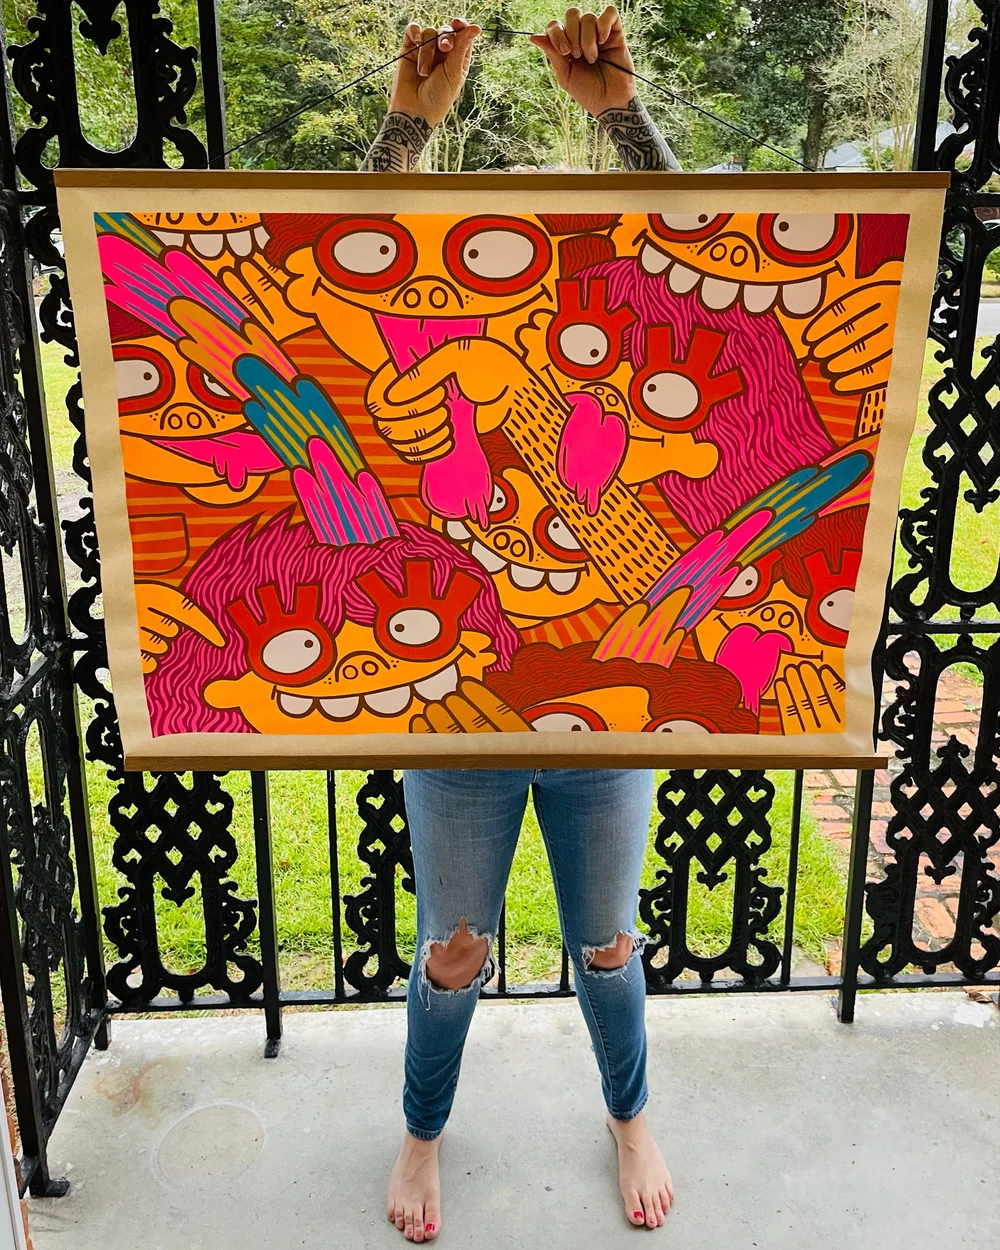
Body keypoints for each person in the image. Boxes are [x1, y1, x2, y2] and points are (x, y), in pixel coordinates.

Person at [362, 9, 678, 1241]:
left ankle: (630, 1115)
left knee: (606, 940)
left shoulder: (606, 414)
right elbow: (328, 251)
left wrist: (620, 117)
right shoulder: (432, 404)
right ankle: (422, 1128)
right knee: (453, 946)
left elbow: (704, 245)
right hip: (460, 718)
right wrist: (409, 126)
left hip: (606, 708)